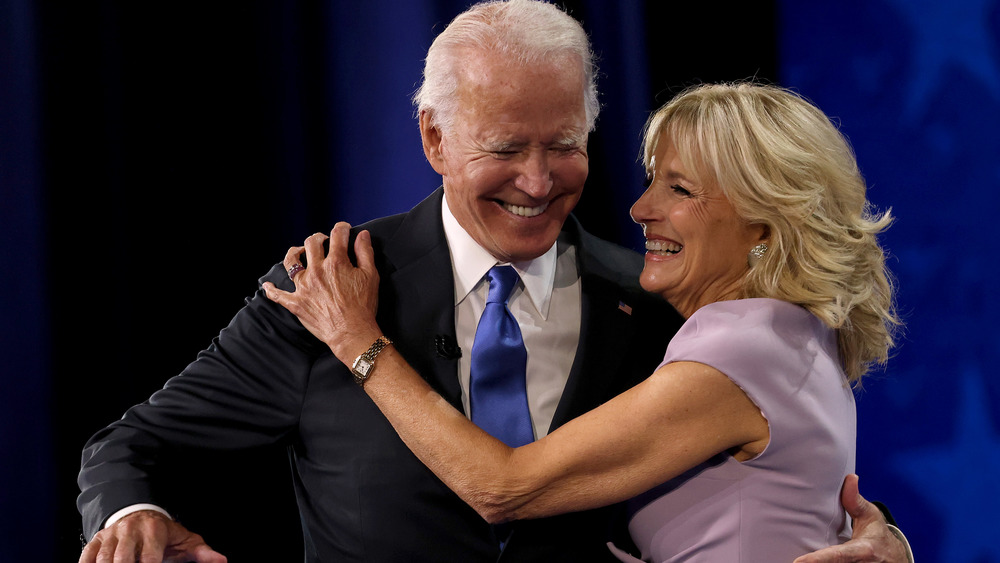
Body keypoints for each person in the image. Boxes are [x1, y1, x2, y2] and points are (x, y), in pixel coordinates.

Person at [77, 2, 910, 562]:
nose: (540, 181)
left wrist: (885, 543)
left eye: (564, 144)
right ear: (434, 138)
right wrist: (129, 516)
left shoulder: (660, 308)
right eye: (507, 149)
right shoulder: (330, 289)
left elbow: (772, 484)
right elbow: (130, 442)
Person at [262, 82, 908, 562]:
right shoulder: (791, 333)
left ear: (764, 221)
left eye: (679, 190)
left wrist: (356, 339)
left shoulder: (741, 343)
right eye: (653, 180)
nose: (640, 207)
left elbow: (502, 487)